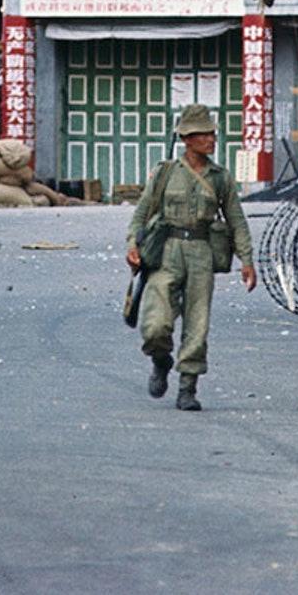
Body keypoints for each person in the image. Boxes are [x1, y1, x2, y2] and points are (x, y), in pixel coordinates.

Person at [125, 103, 256, 412]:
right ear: (187, 139)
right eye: (203, 135)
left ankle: (187, 387)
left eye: (212, 134)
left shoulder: (220, 178)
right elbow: (142, 213)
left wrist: (247, 261)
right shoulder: (165, 173)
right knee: (155, 325)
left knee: (197, 324)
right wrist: (133, 244)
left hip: (201, 253)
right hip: (165, 251)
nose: (211, 140)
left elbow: (237, 220)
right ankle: (160, 359)